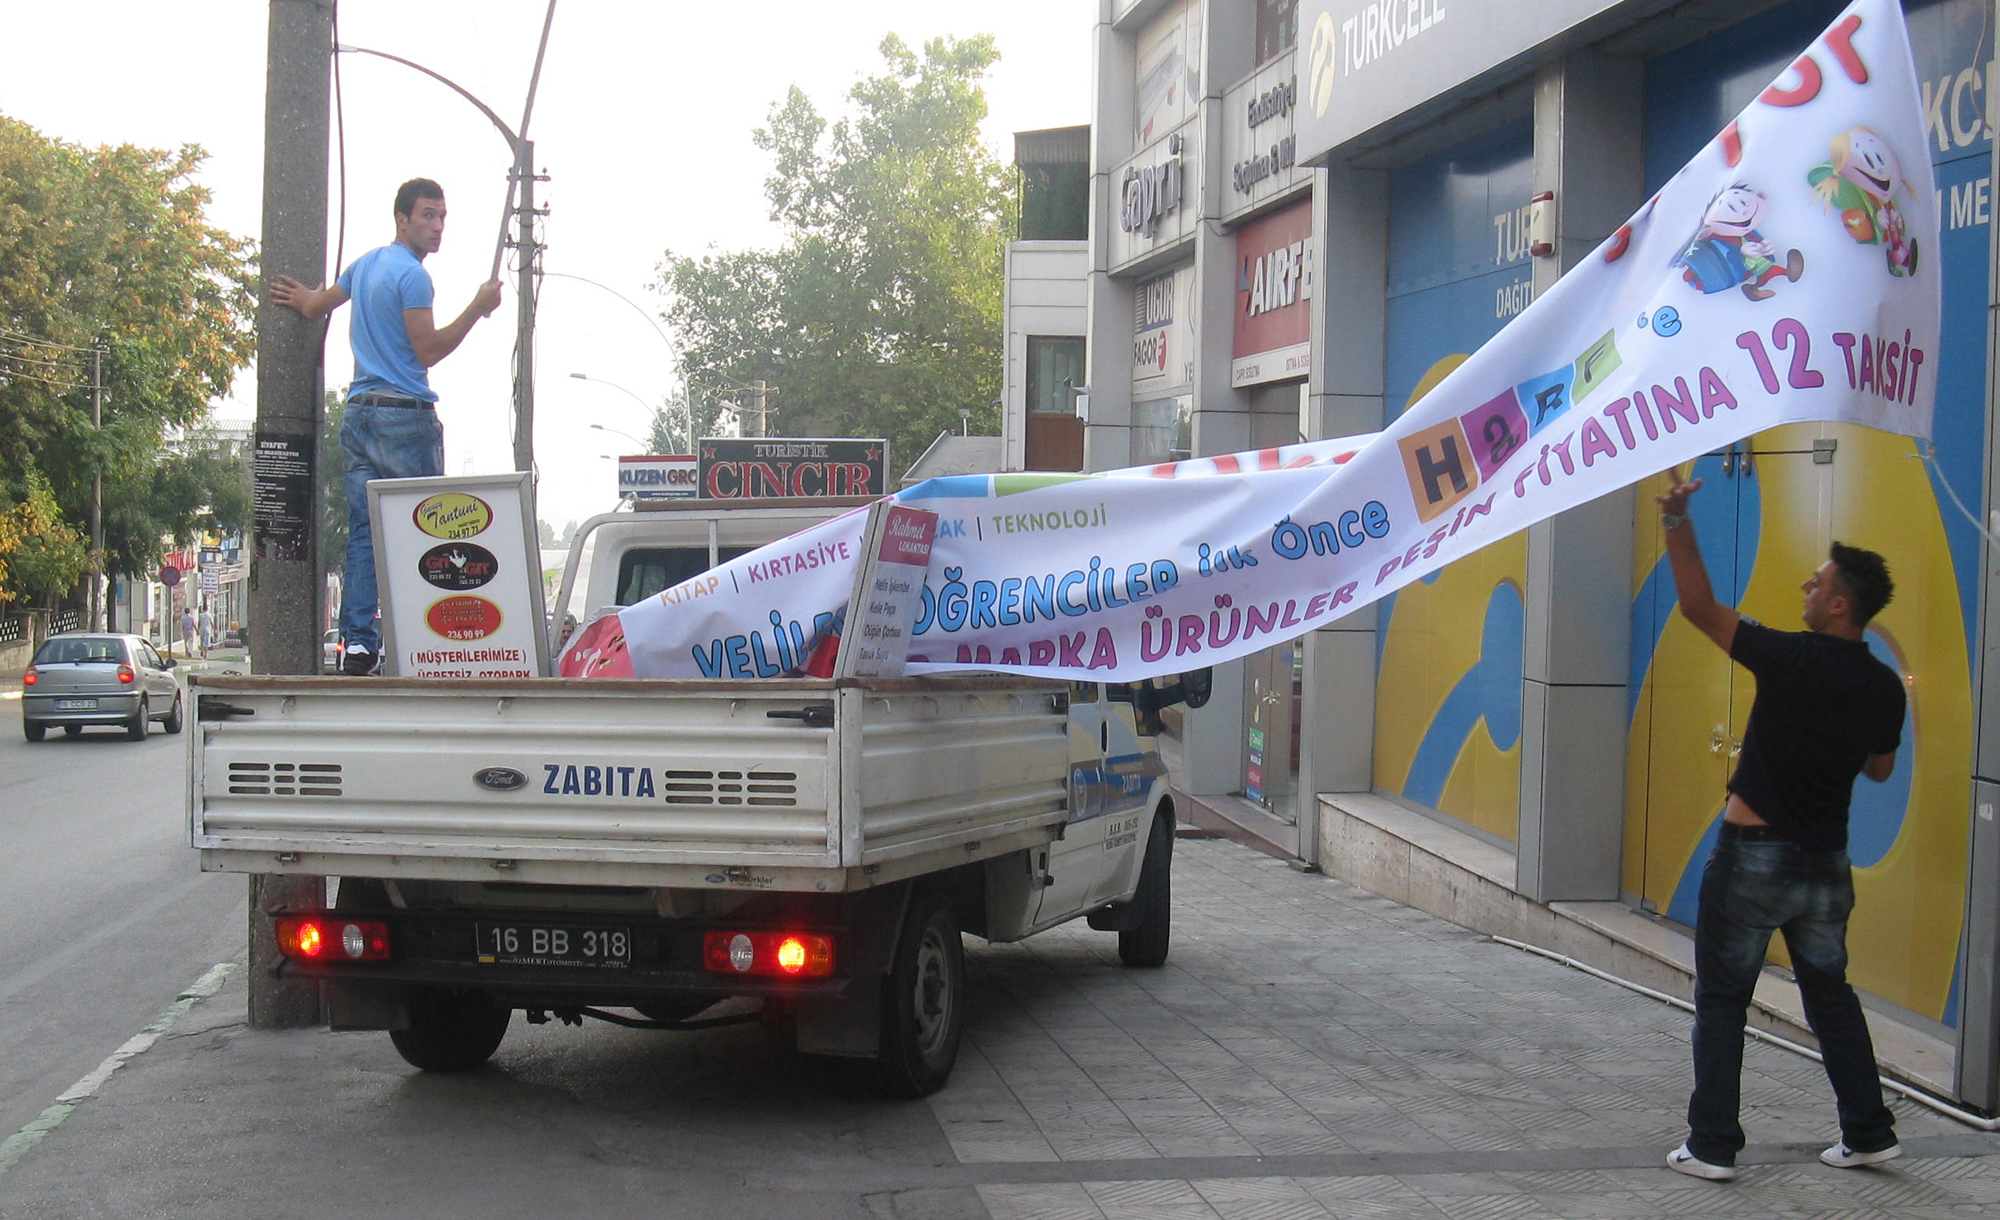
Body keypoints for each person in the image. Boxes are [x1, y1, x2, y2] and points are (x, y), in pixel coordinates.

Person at [1656, 470, 1906, 1182]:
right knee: (1831, 995)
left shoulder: (1789, 657)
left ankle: (1712, 1145)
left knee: (1723, 999)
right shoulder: (1885, 686)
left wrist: (1676, 521)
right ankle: (1868, 1131)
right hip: (1825, 863)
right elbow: (1879, 769)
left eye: (1816, 582)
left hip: (1753, 856)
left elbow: (1698, 606)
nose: (1805, 585)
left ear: (1838, 604)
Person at [271, 178, 503, 675]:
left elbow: (314, 308)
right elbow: (429, 350)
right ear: (402, 219)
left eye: (442, 216)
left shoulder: (366, 264)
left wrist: (300, 296)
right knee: (427, 530)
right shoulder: (414, 277)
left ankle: (359, 644)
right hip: (404, 416)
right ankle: (425, 643)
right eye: (427, 216)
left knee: (364, 530)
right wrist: (477, 309)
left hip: (358, 413)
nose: (437, 227)